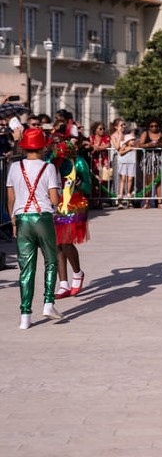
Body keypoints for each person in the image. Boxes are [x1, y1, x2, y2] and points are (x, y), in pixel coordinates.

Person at [6, 128, 63, 329]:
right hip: (43, 217)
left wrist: (13, 221)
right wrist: (56, 206)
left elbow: (11, 199)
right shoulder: (48, 168)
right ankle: (48, 302)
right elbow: (54, 198)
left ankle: (25, 316)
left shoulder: (14, 167)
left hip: (21, 218)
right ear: (42, 147)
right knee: (51, 260)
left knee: (26, 269)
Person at [51, 136, 91, 300]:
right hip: (57, 203)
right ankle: (63, 284)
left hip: (75, 203)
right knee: (57, 244)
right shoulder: (51, 162)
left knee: (66, 241)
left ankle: (77, 273)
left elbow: (88, 187)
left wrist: (80, 183)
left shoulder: (80, 162)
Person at [138, 118, 162, 208]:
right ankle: (147, 202)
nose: (154, 128)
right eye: (151, 126)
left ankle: (159, 202)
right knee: (147, 181)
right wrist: (148, 145)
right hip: (148, 158)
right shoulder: (145, 133)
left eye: (155, 126)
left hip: (158, 159)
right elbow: (140, 144)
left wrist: (159, 144)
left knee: (158, 181)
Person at [88, 122, 111, 205]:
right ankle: (94, 200)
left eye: (103, 129)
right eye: (100, 129)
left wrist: (98, 148)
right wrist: (93, 147)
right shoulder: (91, 138)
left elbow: (108, 144)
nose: (102, 130)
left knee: (103, 181)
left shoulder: (106, 137)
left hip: (103, 162)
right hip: (93, 162)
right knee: (94, 180)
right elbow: (88, 145)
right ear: (95, 130)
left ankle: (101, 201)